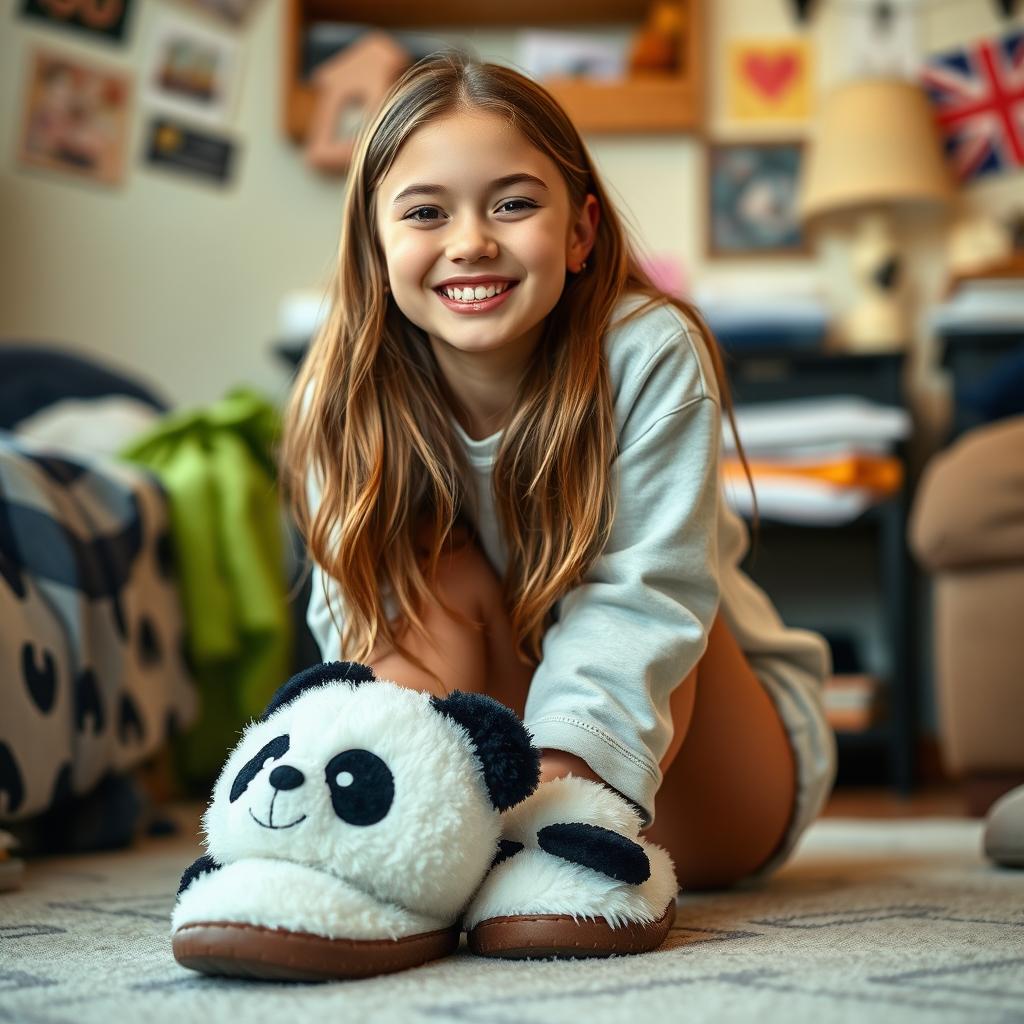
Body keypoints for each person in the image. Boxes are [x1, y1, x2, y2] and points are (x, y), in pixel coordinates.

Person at [279, 51, 836, 901]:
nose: (471, 242)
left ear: (578, 232)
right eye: (426, 212)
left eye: (513, 204)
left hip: (713, 772)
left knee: (636, 598)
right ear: (375, 243)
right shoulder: (343, 395)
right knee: (408, 561)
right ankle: (389, 836)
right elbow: (355, 628)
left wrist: (564, 794)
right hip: (503, 751)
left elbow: (650, 603)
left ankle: (568, 826)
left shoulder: (646, 351)